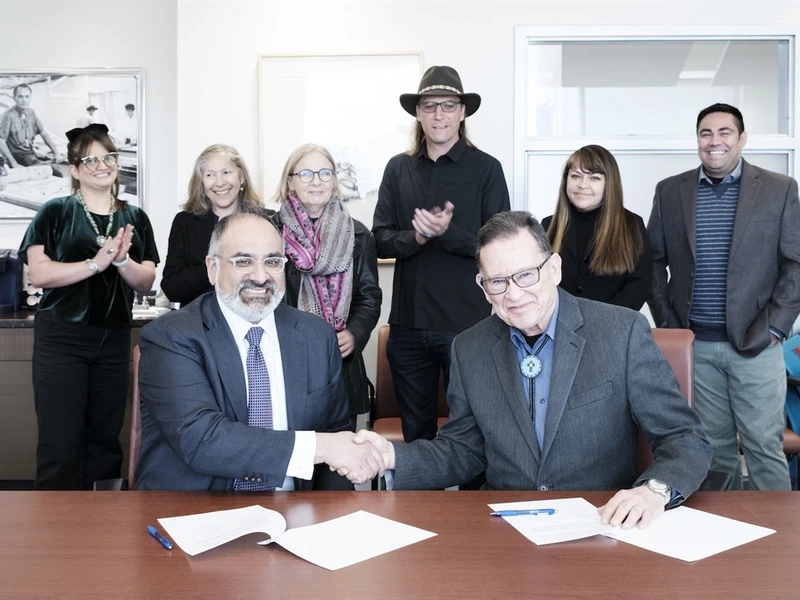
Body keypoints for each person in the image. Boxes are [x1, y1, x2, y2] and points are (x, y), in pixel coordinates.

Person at [353, 211, 711, 530]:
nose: (513, 294)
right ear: (483, 287)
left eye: (525, 275)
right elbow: (464, 449)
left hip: (602, 521)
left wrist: (654, 491)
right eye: (497, 281)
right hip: (507, 527)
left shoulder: (621, 333)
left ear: (554, 269)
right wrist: (390, 457)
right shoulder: (469, 348)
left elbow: (683, 436)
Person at [135, 209, 383, 490]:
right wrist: (320, 446)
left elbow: (337, 441)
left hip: (296, 509)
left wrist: (334, 512)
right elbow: (203, 440)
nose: (261, 276)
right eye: (243, 261)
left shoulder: (317, 337)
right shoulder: (171, 337)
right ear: (213, 269)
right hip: (195, 508)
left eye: (273, 261)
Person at [648, 103, 800, 491]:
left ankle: (777, 531)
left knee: (763, 446)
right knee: (712, 451)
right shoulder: (670, 191)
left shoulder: (780, 189)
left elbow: (795, 264)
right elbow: (653, 261)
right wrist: (670, 327)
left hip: (757, 344)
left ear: (742, 138)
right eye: (706, 133)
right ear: (698, 140)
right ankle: (720, 528)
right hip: (697, 346)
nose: (714, 141)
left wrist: (776, 329)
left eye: (724, 132)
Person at [18, 123, 159, 489]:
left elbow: (146, 281)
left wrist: (121, 261)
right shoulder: (54, 212)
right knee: (60, 441)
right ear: (75, 170)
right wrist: (95, 263)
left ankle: (103, 520)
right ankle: (56, 521)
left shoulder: (135, 217)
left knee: (105, 441)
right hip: (61, 338)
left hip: (112, 340)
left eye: (108, 157)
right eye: (90, 160)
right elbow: (39, 273)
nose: (102, 165)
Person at [373, 65, 510, 442]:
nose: (439, 115)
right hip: (407, 327)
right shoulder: (398, 169)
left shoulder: (487, 169)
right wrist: (416, 237)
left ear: (462, 112)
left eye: (448, 106)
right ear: (418, 113)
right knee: (416, 436)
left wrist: (448, 234)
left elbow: (499, 247)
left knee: (473, 432)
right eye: (430, 106)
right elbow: (379, 240)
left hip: (466, 327)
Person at [273, 144, 381, 426]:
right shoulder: (270, 231)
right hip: (285, 360)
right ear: (290, 181)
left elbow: (369, 297)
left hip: (339, 366)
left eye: (325, 173)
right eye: (306, 173)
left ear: (334, 180)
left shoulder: (359, 235)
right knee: (291, 449)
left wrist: (355, 332)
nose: (316, 181)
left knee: (339, 451)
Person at [542, 145, 651, 311]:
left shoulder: (632, 225)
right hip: (559, 323)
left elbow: (640, 285)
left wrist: (601, 321)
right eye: (575, 176)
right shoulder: (548, 226)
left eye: (594, 178)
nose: (582, 185)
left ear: (609, 184)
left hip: (613, 322)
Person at [161, 144, 265, 307]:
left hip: (252, 315)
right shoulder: (185, 222)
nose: (219, 182)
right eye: (210, 175)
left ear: (241, 177)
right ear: (201, 183)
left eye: (226, 172)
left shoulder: (263, 221)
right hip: (199, 319)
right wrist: (218, 262)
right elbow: (172, 288)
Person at [0, 83, 63, 169]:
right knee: (52, 170)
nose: (24, 100)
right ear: (14, 98)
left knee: (56, 169)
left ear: (30, 98)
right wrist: (14, 163)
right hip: (16, 157)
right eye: (20, 97)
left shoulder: (31, 113)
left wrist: (56, 153)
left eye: (27, 96)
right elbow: (1, 141)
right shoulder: (8, 116)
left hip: (30, 155)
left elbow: (43, 133)